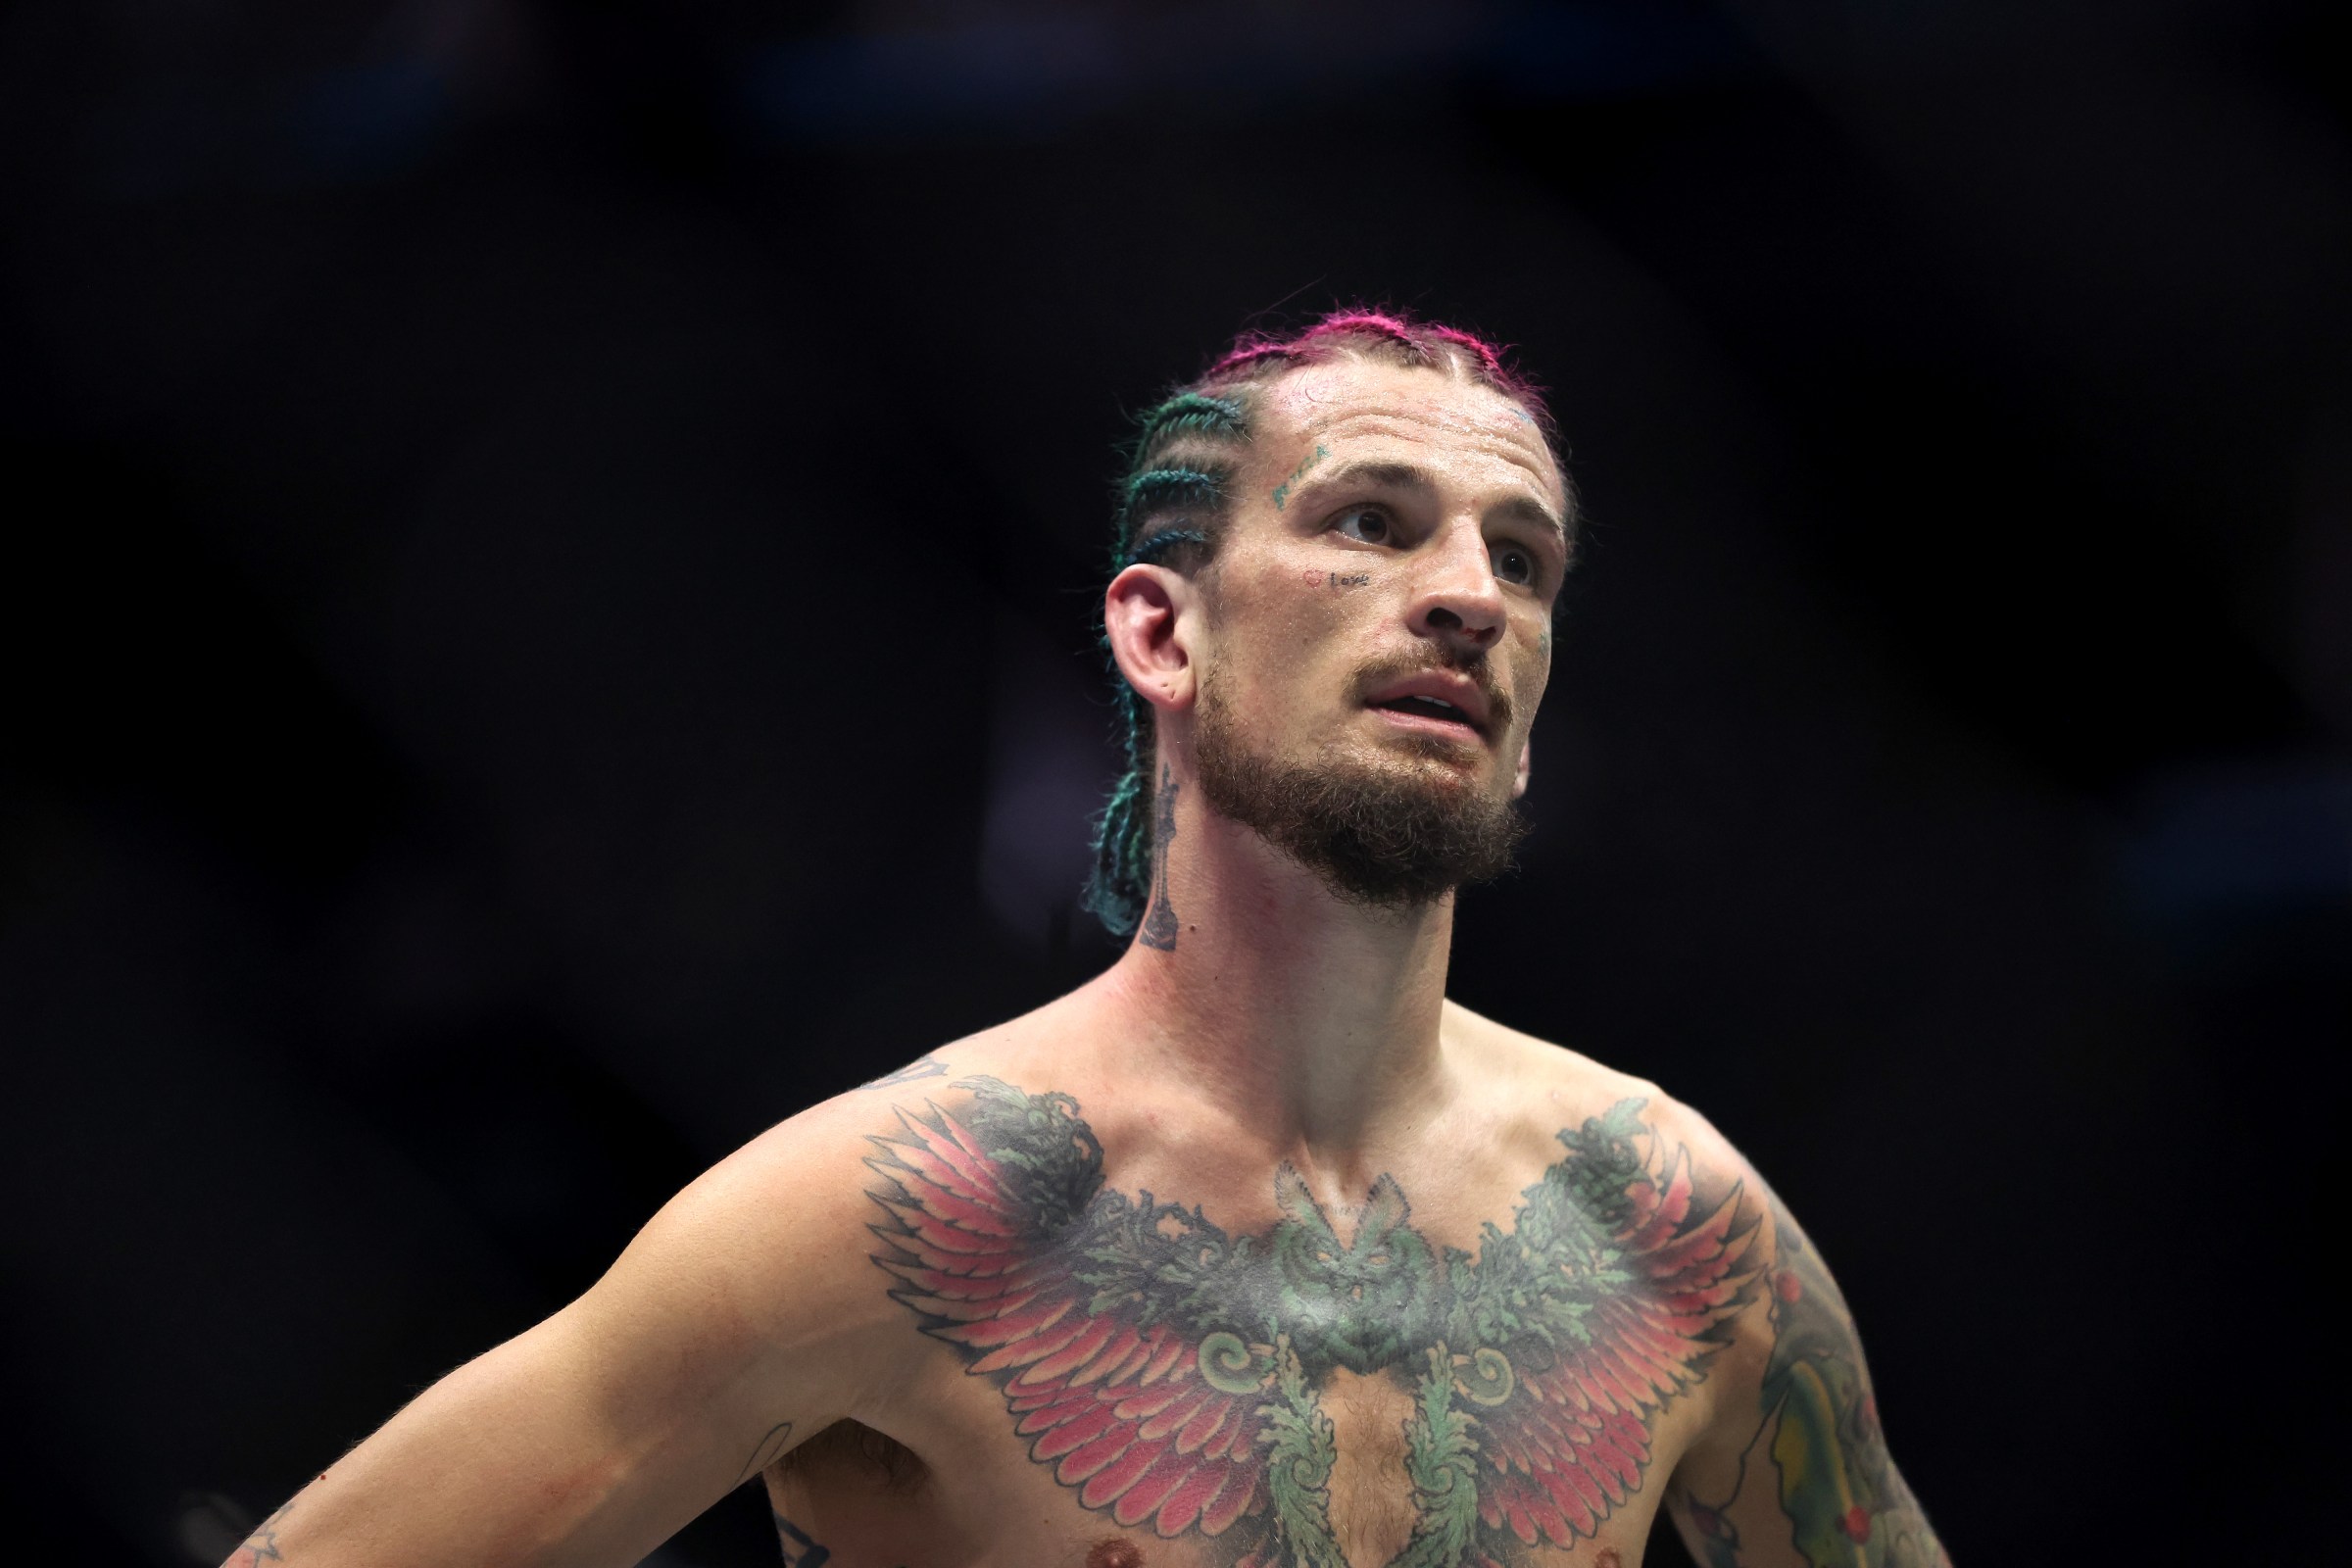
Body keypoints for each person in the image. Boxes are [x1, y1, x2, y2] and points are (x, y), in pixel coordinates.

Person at [230, 311, 1947, 1568]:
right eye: (1369, 521)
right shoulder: (902, 1211)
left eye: (1523, 556)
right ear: (1160, 626)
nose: (1470, 594)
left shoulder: (1673, 1221)